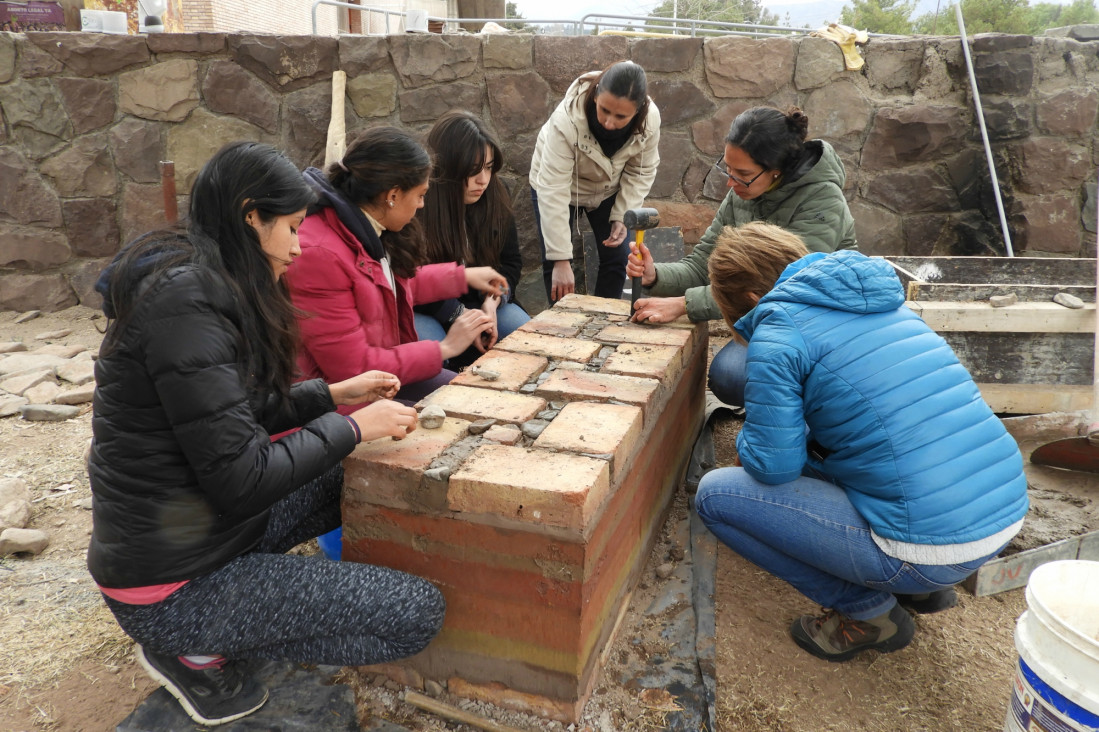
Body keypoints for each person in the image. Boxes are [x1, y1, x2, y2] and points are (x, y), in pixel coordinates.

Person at [87, 141, 445, 726]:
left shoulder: (206, 283)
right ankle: (193, 650)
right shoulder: (185, 306)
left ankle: (233, 623)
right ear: (251, 216)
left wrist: (328, 396)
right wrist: (350, 427)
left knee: (347, 473)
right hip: (174, 582)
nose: (299, 246)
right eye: (293, 228)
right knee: (418, 615)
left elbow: (235, 412)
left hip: (206, 530)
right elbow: (243, 478)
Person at [694, 222, 1028, 662]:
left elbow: (773, 468)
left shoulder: (779, 332)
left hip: (931, 544)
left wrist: (752, 443)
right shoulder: (884, 303)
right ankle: (926, 590)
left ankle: (866, 611)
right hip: (1000, 510)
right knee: (858, 449)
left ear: (752, 299)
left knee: (715, 496)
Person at [628, 105, 856, 407]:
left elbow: (782, 289)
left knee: (737, 375)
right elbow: (701, 266)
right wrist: (656, 275)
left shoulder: (823, 200)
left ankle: (809, 409)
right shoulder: (742, 192)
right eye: (728, 169)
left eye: (743, 174)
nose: (730, 183)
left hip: (817, 318)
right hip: (768, 319)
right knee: (730, 376)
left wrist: (685, 304)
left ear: (776, 169)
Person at [286, 127, 508, 408]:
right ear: (392, 195)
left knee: (472, 399)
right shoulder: (321, 255)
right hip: (336, 400)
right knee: (460, 408)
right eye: (420, 195)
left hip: (376, 378)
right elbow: (353, 370)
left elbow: (388, 284)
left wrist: (462, 277)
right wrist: (445, 348)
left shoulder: (360, 225)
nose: (422, 204)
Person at [529, 60, 661, 303]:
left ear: (639, 110)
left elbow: (640, 172)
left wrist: (622, 214)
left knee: (617, 256)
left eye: (621, 116)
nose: (609, 123)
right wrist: (561, 258)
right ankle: (560, 330)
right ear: (596, 93)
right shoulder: (566, 119)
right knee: (556, 265)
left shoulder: (650, 121)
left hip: (606, 187)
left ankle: (603, 319)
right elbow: (553, 187)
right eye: (604, 110)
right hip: (558, 184)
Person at [415, 110, 530, 368]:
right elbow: (415, 279)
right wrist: (461, 316)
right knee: (432, 362)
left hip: (485, 303)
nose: (483, 180)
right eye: (472, 170)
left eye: (489, 168)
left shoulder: (497, 195)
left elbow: (510, 263)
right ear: (447, 169)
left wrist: (494, 299)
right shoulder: (421, 205)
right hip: (430, 309)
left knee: (528, 341)